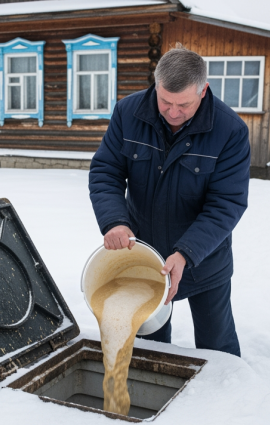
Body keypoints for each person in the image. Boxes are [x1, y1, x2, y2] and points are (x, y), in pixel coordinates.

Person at [88, 46, 250, 357]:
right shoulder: (128, 112)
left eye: (184, 105)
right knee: (149, 346)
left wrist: (186, 253)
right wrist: (115, 221)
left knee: (217, 346)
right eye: (165, 101)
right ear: (156, 84)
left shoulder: (231, 131)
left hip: (204, 260)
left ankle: (225, 402)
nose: (173, 112)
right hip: (144, 258)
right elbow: (106, 171)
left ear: (203, 90)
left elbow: (226, 203)